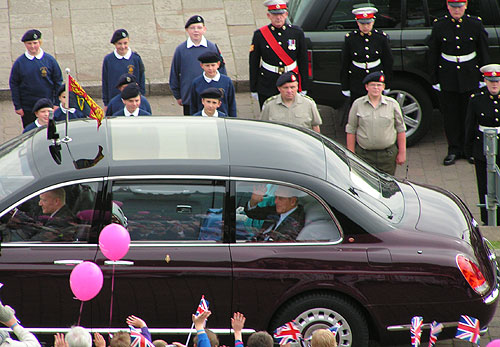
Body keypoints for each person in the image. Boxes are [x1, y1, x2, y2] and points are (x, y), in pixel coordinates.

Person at [428, 0, 489, 166]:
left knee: (470, 115)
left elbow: (483, 52)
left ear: (466, 6)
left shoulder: (475, 24)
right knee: (451, 115)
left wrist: (484, 77)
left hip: (470, 74)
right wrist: (434, 78)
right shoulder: (440, 25)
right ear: (448, 7)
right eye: (453, 7)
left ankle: (469, 150)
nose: (457, 10)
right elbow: (433, 53)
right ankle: (453, 149)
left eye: (460, 6)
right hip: (448, 75)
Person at [249, 0, 308, 109]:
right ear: (268, 15)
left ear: (286, 14)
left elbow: (303, 60)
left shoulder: (296, 33)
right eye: (275, 14)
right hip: (268, 82)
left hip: (291, 81)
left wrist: (303, 85)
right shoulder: (260, 35)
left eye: (281, 14)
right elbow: (253, 63)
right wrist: (253, 87)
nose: (278, 18)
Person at [340, 4, 393, 125]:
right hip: (357, 78)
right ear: (357, 23)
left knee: (378, 108)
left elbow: (388, 62)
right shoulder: (350, 38)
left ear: (373, 22)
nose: (365, 26)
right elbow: (345, 63)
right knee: (359, 109)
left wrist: (387, 82)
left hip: (375, 75)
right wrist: (345, 86)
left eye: (368, 23)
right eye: (362, 23)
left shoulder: (380, 38)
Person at [345, 71, 406, 175]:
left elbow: (400, 129)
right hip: (364, 155)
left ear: (383, 87)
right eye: (372, 85)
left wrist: (402, 153)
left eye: (379, 85)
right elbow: (351, 129)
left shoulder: (392, 104)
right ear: (366, 87)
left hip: (387, 155)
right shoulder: (358, 104)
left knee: (387, 185)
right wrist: (351, 154)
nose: (376, 88)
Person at [170, 15, 227, 115]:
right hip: (189, 98)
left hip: (211, 99)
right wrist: (178, 95)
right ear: (187, 30)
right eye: (192, 28)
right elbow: (174, 73)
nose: (196, 31)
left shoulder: (212, 47)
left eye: (199, 28)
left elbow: (222, 70)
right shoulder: (181, 50)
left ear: (204, 29)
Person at [465, 64, 500, 225]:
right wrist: (469, 151)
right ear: (485, 81)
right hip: (483, 148)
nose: (494, 84)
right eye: (491, 81)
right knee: (484, 186)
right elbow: (470, 126)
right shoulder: (477, 99)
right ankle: (487, 220)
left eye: (497, 81)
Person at [9, 29, 63, 129]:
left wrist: (56, 103)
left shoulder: (49, 60)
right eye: (29, 43)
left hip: (47, 106)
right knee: (30, 131)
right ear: (25, 44)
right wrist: (18, 106)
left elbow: (58, 82)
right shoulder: (20, 63)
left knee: (50, 130)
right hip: (28, 106)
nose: (32, 46)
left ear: (40, 42)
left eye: (35, 43)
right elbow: (14, 84)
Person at [102, 29, 146, 109]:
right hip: (115, 99)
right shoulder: (108, 60)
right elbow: (105, 82)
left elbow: (141, 79)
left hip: (132, 100)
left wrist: (141, 97)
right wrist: (106, 103)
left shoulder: (136, 59)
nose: (123, 47)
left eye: (125, 43)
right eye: (119, 44)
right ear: (114, 44)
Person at [190, 51, 237, 117]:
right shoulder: (196, 83)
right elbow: (193, 105)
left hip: (222, 119)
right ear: (201, 65)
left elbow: (232, 104)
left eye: (213, 65)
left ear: (218, 64)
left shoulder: (227, 81)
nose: (210, 68)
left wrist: (232, 120)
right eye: (207, 65)